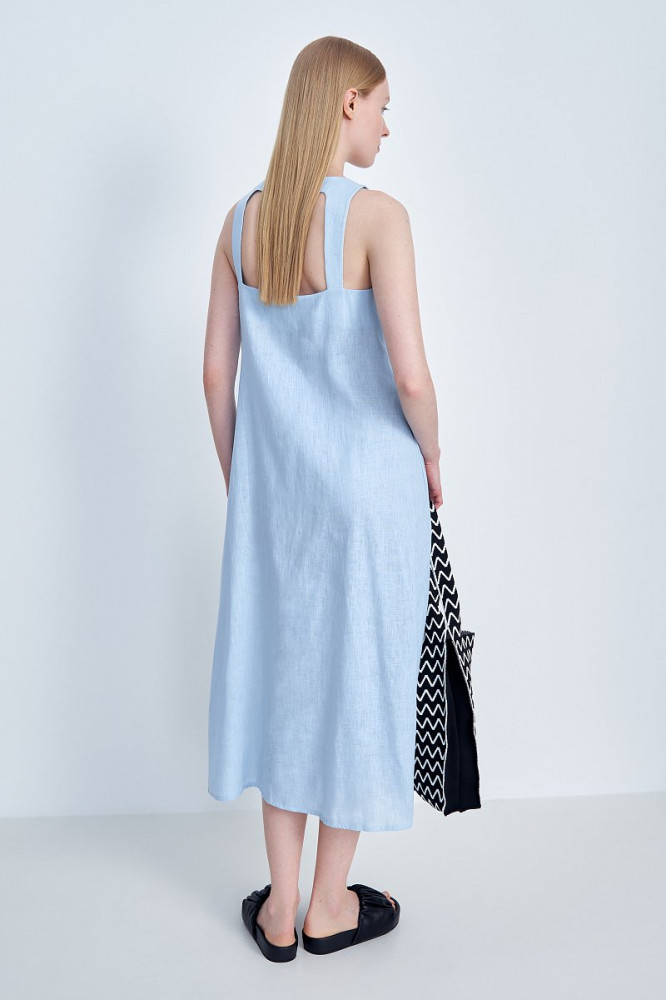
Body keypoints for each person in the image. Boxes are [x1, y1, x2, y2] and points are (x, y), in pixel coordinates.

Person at [203, 35, 442, 961]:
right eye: (382, 106)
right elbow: (411, 377)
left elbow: (215, 375)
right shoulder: (379, 217)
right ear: (347, 103)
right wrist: (433, 458)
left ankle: (278, 909)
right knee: (358, 679)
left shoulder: (241, 224)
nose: (386, 125)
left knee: (287, 679)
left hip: (281, 505)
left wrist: (250, 483)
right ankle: (330, 903)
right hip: (372, 498)